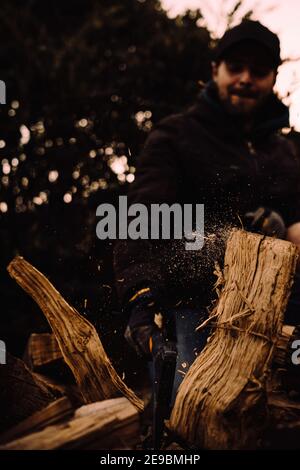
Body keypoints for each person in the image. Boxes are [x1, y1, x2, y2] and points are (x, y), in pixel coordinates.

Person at [113, 20, 300, 395]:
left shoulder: (284, 152)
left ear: (273, 77)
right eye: (236, 67)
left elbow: (296, 224)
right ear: (215, 70)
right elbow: (142, 217)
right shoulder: (176, 135)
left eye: (259, 71)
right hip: (197, 306)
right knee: (192, 412)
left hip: (277, 309)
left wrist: (282, 229)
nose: (246, 78)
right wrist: (140, 299)